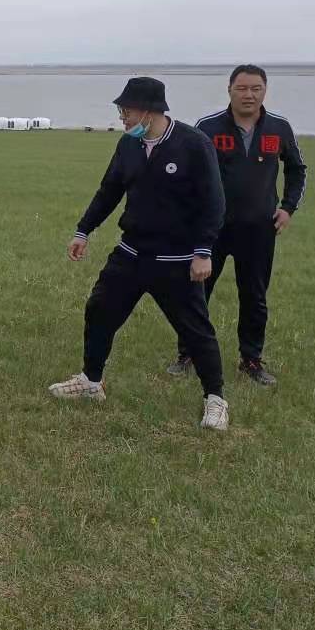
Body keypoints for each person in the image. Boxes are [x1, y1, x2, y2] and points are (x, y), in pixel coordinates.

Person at [52, 77, 230, 431]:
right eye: (121, 110)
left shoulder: (193, 144)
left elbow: (214, 202)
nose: (123, 117)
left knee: (195, 330)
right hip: (131, 253)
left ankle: (215, 399)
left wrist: (203, 251)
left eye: (127, 111)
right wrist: (83, 230)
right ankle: (91, 382)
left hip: (177, 260)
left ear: (150, 111)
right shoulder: (128, 145)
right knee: (99, 310)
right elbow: (109, 190)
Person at [167, 65, 307, 385]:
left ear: (265, 91)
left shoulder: (279, 128)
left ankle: (251, 360)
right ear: (229, 90)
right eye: (242, 88)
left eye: (256, 88)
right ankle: (187, 354)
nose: (249, 95)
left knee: (254, 296)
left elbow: (297, 169)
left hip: (259, 229)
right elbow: (188, 174)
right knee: (197, 292)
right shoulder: (208, 127)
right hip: (212, 230)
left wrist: (288, 208)